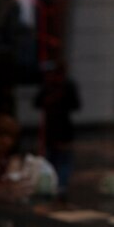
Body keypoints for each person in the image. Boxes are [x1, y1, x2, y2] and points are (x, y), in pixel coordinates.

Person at [34, 58, 81, 193]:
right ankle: (52, 185)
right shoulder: (48, 86)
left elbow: (75, 104)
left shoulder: (68, 86)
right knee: (52, 160)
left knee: (64, 160)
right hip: (51, 130)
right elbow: (38, 102)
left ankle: (61, 186)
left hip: (63, 130)